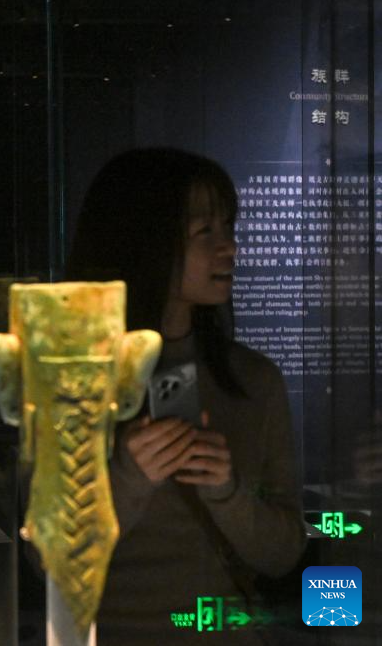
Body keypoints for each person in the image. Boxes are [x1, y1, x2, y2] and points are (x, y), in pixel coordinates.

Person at [67, 149, 306, 644]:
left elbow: (284, 553)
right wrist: (128, 477)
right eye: (205, 232)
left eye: (229, 227)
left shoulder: (253, 380)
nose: (229, 247)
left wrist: (226, 492)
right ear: (147, 242)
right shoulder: (72, 379)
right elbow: (45, 557)